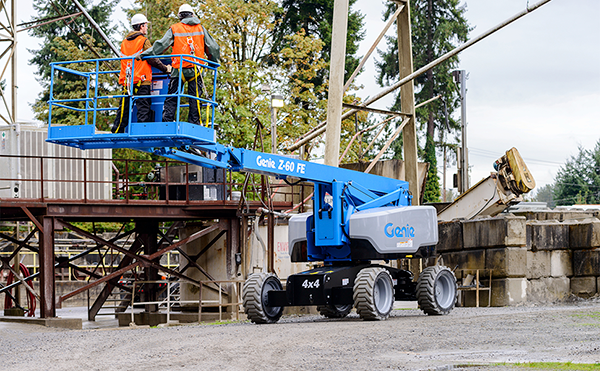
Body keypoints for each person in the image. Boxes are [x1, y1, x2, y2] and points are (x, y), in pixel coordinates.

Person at [140, 4, 220, 126]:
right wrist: (213, 62)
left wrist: (144, 54)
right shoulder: (201, 29)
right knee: (196, 98)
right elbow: (213, 47)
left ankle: (167, 121)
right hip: (196, 68)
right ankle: (195, 123)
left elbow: (160, 45)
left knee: (172, 97)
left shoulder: (175, 28)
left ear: (180, 16)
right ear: (192, 15)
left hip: (179, 69)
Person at [112, 14, 171, 134]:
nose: (146, 28)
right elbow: (152, 58)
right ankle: (141, 132)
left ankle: (117, 130)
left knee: (124, 107)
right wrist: (165, 68)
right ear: (141, 26)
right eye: (145, 26)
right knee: (143, 106)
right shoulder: (143, 41)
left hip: (128, 80)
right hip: (142, 79)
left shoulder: (124, 43)